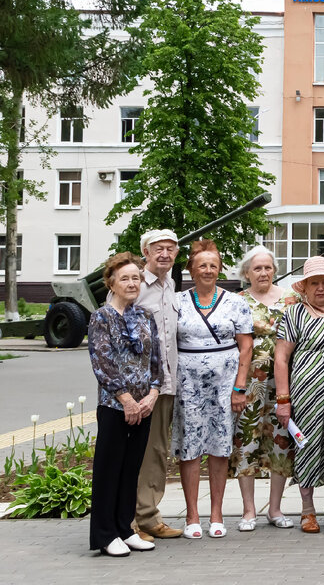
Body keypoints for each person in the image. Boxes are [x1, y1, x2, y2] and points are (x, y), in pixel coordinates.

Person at [173, 240, 253, 539]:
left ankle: (217, 513)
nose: (207, 270)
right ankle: (192, 516)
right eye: (202, 265)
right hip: (187, 384)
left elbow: (246, 347)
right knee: (190, 447)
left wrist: (239, 387)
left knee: (220, 447)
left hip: (225, 383)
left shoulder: (235, 302)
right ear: (191, 269)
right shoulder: (177, 301)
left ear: (220, 270)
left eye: (213, 265)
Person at [274, 256, 324, 534]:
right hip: (306, 395)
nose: (320, 288)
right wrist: (283, 400)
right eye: (314, 283)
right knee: (307, 448)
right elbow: (281, 358)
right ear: (304, 287)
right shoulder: (294, 314)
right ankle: (307, 511)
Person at [89, 252, 161, 557]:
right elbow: (102, 362)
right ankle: (105, 535)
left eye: (136, 278)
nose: (132, 283)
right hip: (115, 406)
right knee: (109, 470)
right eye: (125, 278)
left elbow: (155, 360)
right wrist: (127, 400)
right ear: (112, 283)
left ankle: (124, 529)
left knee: (131, 469)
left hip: (144, 405)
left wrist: (153, 394)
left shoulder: (145, 316)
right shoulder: (101, 317)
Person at [231, 245, 298, 531]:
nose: (263, 272)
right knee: (246, 441)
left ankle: (275, 509)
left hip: (284, 383)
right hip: (249, 384)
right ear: (246, 273)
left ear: (274, 270)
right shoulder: (237, 301)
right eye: (257, 268)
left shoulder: (291, 299)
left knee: (281, 442)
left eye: (267, 267)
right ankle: (248, 511)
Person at [130, 229, 184, 542]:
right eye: (158, 249)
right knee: (140, 452)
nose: (164, 254)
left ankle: (148, 516)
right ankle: (137, 520)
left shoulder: (170, 285)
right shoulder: (134, 284)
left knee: (158, 451)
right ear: (146, 253)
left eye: (170, 249)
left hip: (166, 385)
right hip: (141, 388)